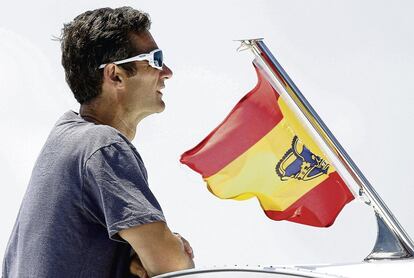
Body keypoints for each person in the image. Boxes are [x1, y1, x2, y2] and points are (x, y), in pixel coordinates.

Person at [2, 6, 194, 278]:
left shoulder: (64, 141)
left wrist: (138, 254)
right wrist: (177, 247)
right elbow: (172, 266)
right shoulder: (102, 145)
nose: (167, 72)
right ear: (115, 75)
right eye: (155, 59)